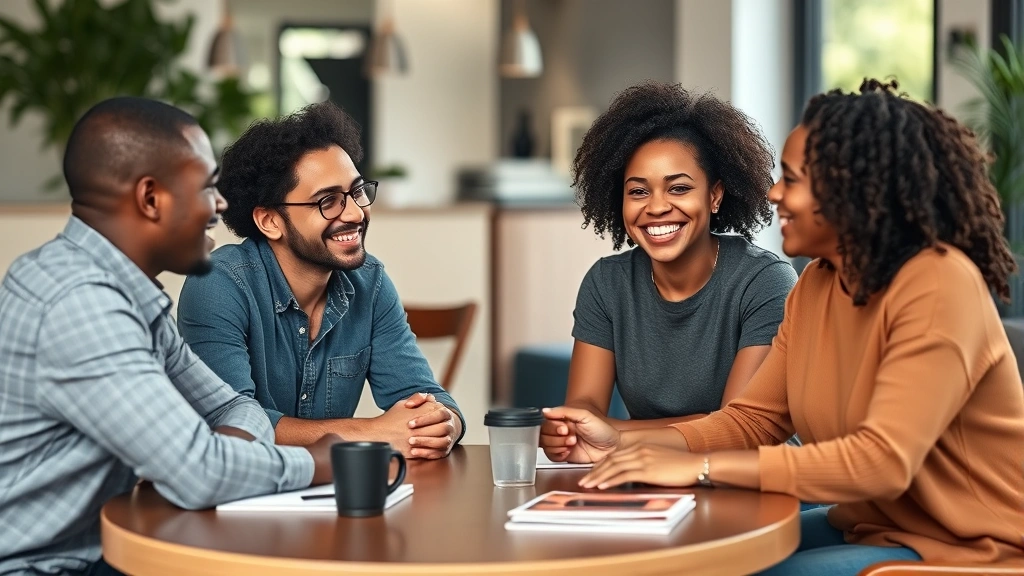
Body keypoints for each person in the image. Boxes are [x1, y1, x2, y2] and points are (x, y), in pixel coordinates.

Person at [543, 79, 1024, 574]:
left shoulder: (938, 283)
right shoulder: (816, 284)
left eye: (792, 179)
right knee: (684, 558)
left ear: (850, 187)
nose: (774, 193)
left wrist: (698, 467)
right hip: (868, 525)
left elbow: (882, 461)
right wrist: (620, 442)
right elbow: (751, 421)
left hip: (972, 547)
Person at [0, 97, 339, 576]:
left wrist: (228, 457)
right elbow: (199, 473)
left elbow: (230, 408)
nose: (220, 206)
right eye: (206, 188)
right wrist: (321, 462)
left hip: (100, 552)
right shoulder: (80, 304)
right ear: (151, 198)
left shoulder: (128, 294)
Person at [177, 101, 464, 459]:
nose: (356, 213)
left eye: (357, 192)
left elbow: (423, 394)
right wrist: (371, 433)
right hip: (240, 503)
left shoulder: (369, 282)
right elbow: (229, 424)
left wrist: (444, 423)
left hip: (335, 498)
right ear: (270, 221)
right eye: (328, 201)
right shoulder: (219, 285)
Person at [542, 82, 797, 461]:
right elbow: (583, 416)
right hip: (653, 478)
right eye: (639, 192)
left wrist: (614, 436)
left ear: (714, 195)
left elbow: (737, 430)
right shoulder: (607, 283)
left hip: (757, 486)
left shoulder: (765, 281)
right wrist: (568, 432)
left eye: (678, 189)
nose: (656, 207)